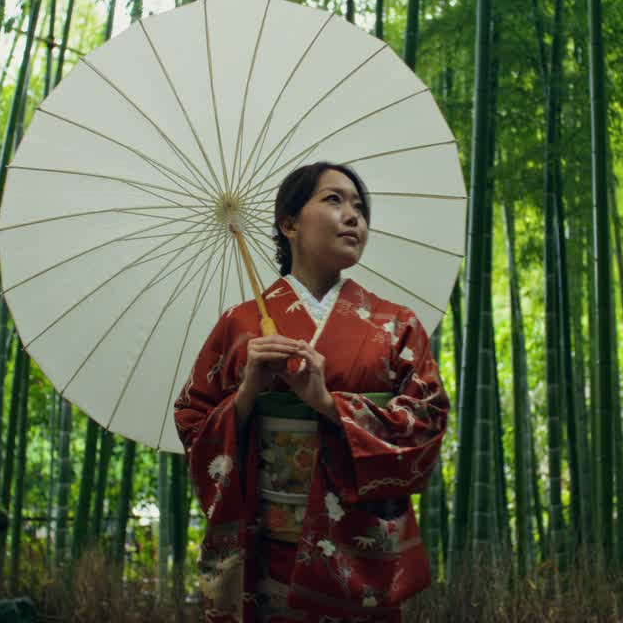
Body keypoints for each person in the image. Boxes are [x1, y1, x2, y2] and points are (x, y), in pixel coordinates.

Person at [175, 162, 449, 623]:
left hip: (362, 558)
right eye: (334, 200)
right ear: (289, 224)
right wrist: (246, 395)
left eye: (360, 208)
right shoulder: (239, 325)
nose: (354, 216)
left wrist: (327, 403)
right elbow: (191, 420)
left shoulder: (396, 324)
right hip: (267, 559)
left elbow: (427, 424)